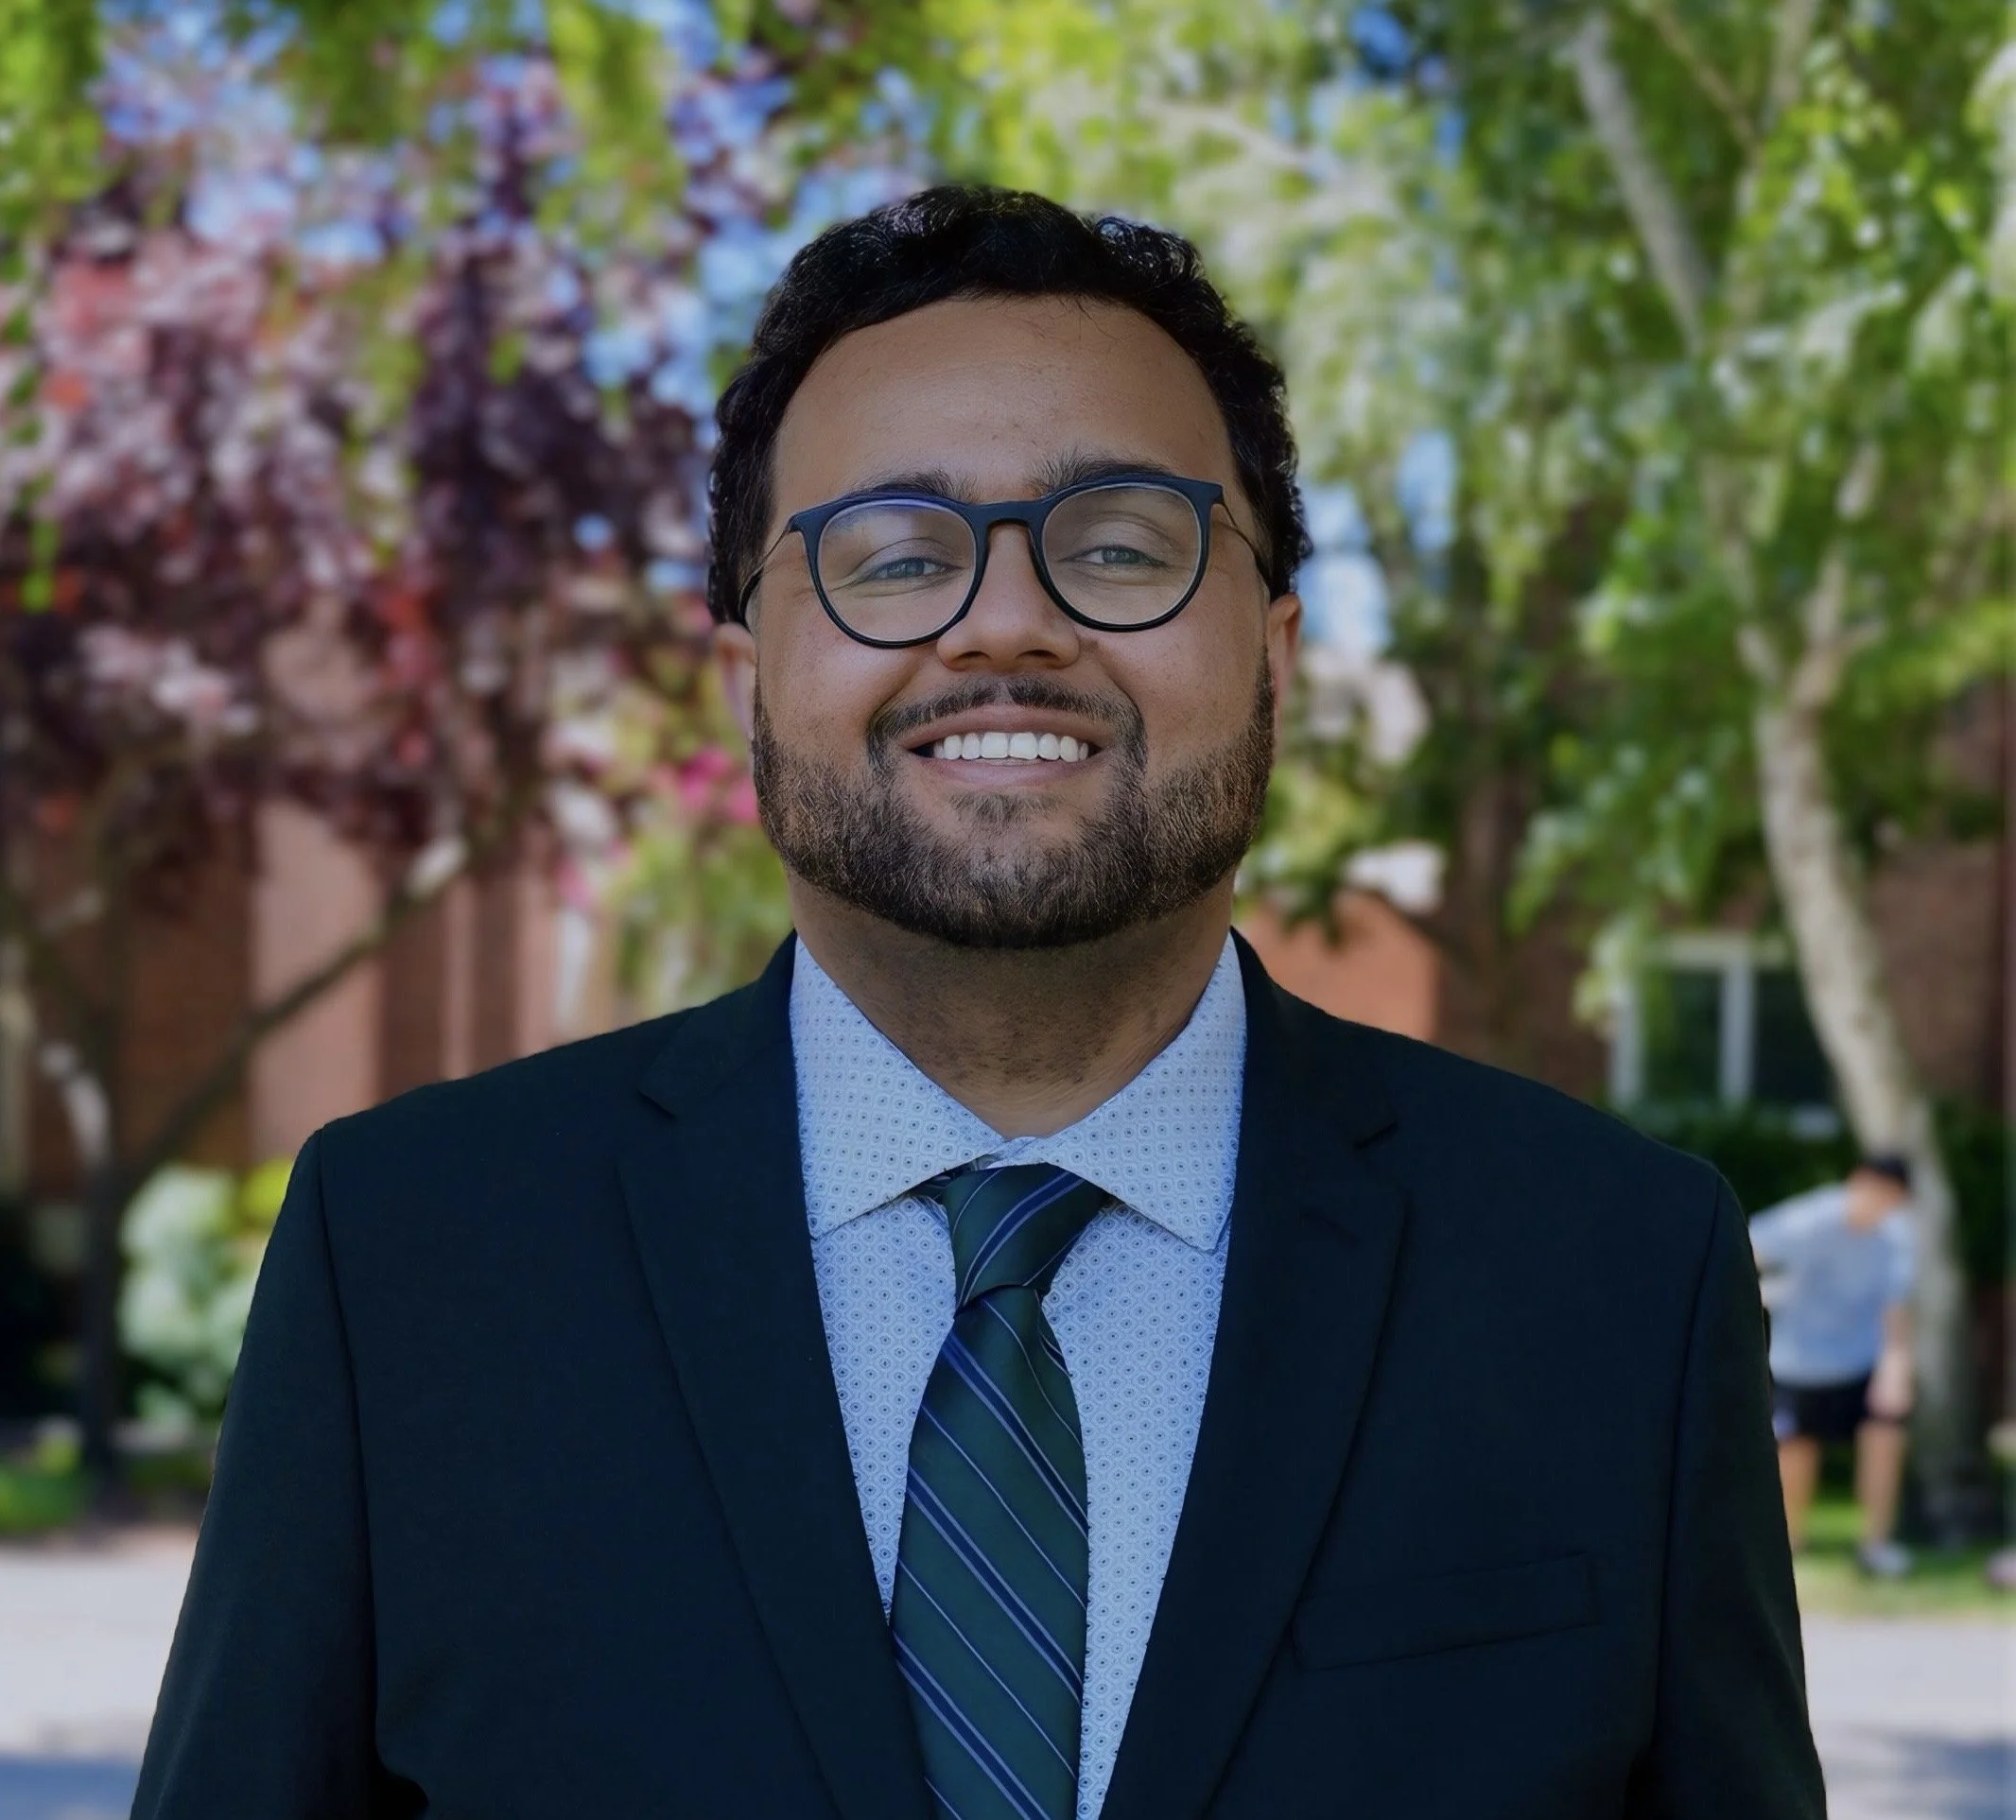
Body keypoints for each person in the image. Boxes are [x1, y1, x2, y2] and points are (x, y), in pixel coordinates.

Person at [133, 187, 1823, 1819]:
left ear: (1275, 658)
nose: (1007, 623)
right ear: (748, 682)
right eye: (890, 556)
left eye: (1121, 545)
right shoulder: (407, 1260)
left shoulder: (1618, 1273)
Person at [1750, 1153, 1918, 1578]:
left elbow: (1895, 1308)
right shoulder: (1810, 1219)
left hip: (1862, 1358)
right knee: (1796, 1449)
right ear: (1857, 1181)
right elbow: (1747, 1248)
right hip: (1800, 1360)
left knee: (1885, 1431)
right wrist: (1763, 1294)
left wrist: (1896, 1368)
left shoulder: (1896, 1235)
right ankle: (1789, 1545)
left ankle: (1876, 1544)